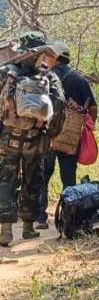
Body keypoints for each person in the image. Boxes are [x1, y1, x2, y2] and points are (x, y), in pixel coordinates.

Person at [0, 44, 65, 246]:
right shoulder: (49, 76)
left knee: (6, 180)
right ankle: (28, 227)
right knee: (33, 180)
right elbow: (60, 105)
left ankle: (6, 230)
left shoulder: (7, 73)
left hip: (9, 139)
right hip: (35, 139)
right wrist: (51, 134)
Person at [37, 41, 97, 229]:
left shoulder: (45, 77)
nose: (46, 59)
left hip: (48, 135)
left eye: (49, 56)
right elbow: (93, 108)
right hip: (71, 137)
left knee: (43, 176)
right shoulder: (79, 79)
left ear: (55, 58)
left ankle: (41, 218)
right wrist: (86, 128)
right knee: (69, 179)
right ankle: (68, 219)